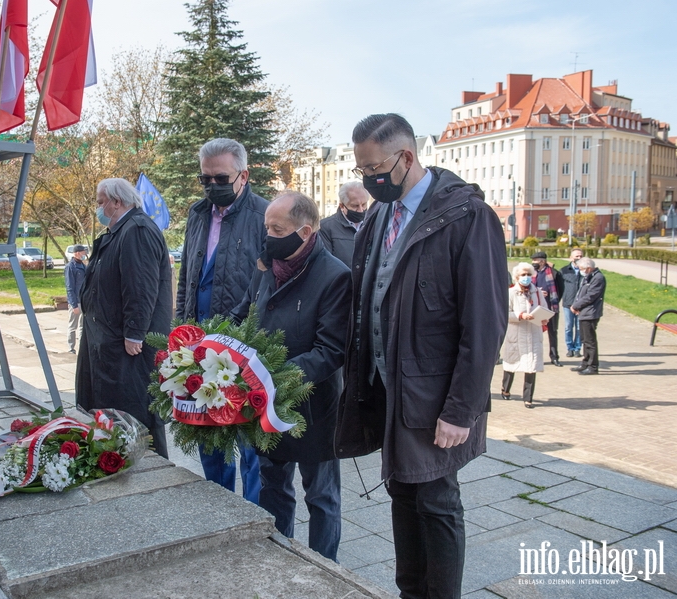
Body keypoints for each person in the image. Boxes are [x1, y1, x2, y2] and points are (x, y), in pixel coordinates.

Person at [333, 113, 508, 599]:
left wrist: (461, 411)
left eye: (375, 170)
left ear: (406, 157)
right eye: (362, 171)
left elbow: (486, 323)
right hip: (390, 388)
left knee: (436, 500)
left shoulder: (467, 216)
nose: (369, 181)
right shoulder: (379, 216)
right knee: (402, 491)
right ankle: (412, 591)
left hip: (436, 396)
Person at [231, 191, 351, 561]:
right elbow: (242, 315)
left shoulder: (335, 276)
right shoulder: (267, 266)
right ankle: (279, 558)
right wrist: (211, 346)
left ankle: (325, 568)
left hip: (313, 409)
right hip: (265, 405)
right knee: (273, 486)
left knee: (321, 495)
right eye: (266, 226)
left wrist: (271, 377)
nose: (267, 234)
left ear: (304, 232)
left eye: (276, 228)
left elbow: (330, 351)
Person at [176, 138, 269, 503]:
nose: (213, 186)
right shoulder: (198, 214)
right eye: (205, 179)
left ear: (243, 176)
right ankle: (218, 504)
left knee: (249, 443)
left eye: (221, 178)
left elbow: (268, 286)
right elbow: (187, 276)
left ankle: (256, 514)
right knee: (207, 433)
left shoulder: (265, 216)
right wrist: (180, 330)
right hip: (197, 346)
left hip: (243, 350)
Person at [76, 178, 171, 458]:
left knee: (135, 415)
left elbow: (140, 288)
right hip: (106, 343)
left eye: (100, 202)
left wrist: (134, 333)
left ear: (117, 202)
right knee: (110, 413)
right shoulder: (119, 231)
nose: (98, 208)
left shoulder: (137, 231)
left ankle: (150, 474)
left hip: (126, 347)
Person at [502, 263, 549, 409]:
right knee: (512, 363)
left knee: (531, 366)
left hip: (533, 333)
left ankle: (528, 398)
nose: (526, 277)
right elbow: (504, 313)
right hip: (517, 333)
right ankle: (506, 389)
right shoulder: (511, 293)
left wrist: (544, 317)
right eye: (523, 275)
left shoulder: (537, 292)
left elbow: (544, 308)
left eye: (528, 274)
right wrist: (520, 315)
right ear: (517, 277)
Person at [319, 181, 369, 267]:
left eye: (364, 204)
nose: (361, 210)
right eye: (355, 206)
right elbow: (326, 263)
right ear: (342, 206)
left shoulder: (374, 223)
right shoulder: (325, 227)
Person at [570, 257, 606, 375]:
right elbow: (581, 293)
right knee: (584, 339)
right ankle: (585, 363)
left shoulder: (598, 278)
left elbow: (591, 295)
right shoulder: (589, 276)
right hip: (584, 312)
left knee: (590, 341)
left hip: (590, 313)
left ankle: (593, 366)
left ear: (589, 268)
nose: (580, 271)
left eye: (582, 268)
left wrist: (576, 306)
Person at [531, 250, 563, 366]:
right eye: (533, 260)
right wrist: (538, 293)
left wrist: (550, 297)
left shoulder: (554, 273)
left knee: (552, 332)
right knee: (534, 332)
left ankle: (554, 356)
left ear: (543, 261)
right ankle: (535, 357)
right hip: (534, 307)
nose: (533, 262)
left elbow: (560, 290)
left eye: (536, 260)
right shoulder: (530, 273)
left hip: (550, 307)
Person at [560, 247, 584, 358]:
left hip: (581, 304)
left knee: (579, 327)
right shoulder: (564, 270)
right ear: (571, 258)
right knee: (568, 327)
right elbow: (559, 285)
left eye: (580, 256)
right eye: (577, 256)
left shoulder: (585, 271)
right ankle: (570, 348)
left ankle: (578, 348)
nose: (579, 258)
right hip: (568, 303)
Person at [64, 244, 88, 354]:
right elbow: (70, 287)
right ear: (77, 253)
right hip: (76, 302)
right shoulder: (71, 267)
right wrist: (74, 305)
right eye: (83, 252)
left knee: (83, 327)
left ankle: (82, 348)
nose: (85, 254)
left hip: (84, 301)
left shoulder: (83, 266)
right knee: (73, 326)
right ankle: (71, 348)